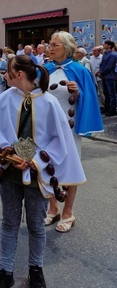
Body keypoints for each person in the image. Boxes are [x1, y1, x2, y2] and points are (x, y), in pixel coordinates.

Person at [0, 55, 86, 288]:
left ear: (19, 74)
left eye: (8, 71)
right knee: (9, 223)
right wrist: (10, 154)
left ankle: (36, 269)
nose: (4, 75)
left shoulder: (49, 103)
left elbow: (59, 140)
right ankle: (5, 272)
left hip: (39, 176)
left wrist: (35, 161)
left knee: (36, 225)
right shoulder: (4, 100)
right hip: (11, 174)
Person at [44, 31, 103, 232]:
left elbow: (89, 98)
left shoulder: (79, 70)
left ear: (67, 49)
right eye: (50, 44)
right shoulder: (45, 68)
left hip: (69, 127)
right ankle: (53, 208)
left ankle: (68, 212)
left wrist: (77, 92)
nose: (50, 48)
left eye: (54, 45)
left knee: (70, 167)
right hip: (46, 128)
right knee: (45, 166)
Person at [97, 40, 117, 116]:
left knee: (112, 94)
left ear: (109, 46)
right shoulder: (105, 54)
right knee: (106, 93)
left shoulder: (113, 55)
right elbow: (102, 65)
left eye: (105, 44)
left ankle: (113, 109)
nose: (103, 45)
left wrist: (101, 73)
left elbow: (109, 66)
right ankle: (107, 108)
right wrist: (100, 73)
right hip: (105, 76)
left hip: (110, 76)